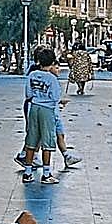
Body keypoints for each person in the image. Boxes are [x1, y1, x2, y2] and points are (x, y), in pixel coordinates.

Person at [21, 48, 63, 184]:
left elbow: (28, 94)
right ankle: (46, 174)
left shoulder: (32, 75)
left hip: (34, 107)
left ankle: (27, 172)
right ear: (51, 62)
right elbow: (56, 97)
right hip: (47, 110)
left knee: (31, 139)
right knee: (47, 141)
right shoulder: (52, 78)